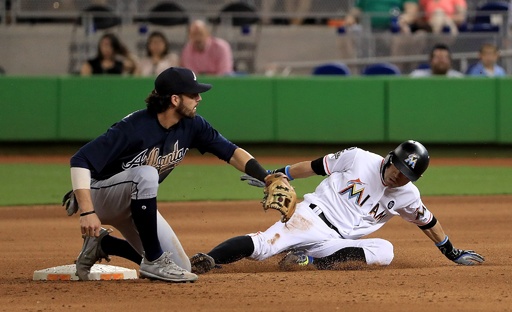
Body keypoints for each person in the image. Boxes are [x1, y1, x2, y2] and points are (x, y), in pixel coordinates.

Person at [67, 67, 271, 282]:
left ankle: (103, 244)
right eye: (193, 94)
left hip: (136, 202)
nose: (199, 98)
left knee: (180, 266)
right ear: (175, 99)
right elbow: (80, 159)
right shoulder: (134, 127)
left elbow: (231, 152)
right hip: (101, 197)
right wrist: (87, 210)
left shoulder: (193, 125)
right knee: (146, 174)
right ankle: (154, 261)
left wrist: (266, 176)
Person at [189, 140, 485, 274]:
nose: (398, 176)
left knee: (385, 252)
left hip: (336, 242)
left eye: (406, 175)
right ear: (389, 158)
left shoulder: (408, 195)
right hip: (309, 218)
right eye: (397, 168)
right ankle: (208, 260)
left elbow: (428, 223)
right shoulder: (358, 158)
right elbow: (316, 166)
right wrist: (277, 174)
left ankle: (307, 261)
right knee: (264, 246)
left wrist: (452, 252)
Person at [338, 0, 421, 73]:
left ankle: (396, 72)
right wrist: (349, 19)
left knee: (402, 34)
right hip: (367, 29)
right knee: (346, 36)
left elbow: (411, 12)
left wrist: (401, 21)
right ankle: (352, 74)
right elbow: (355, 11)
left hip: (392, 29)